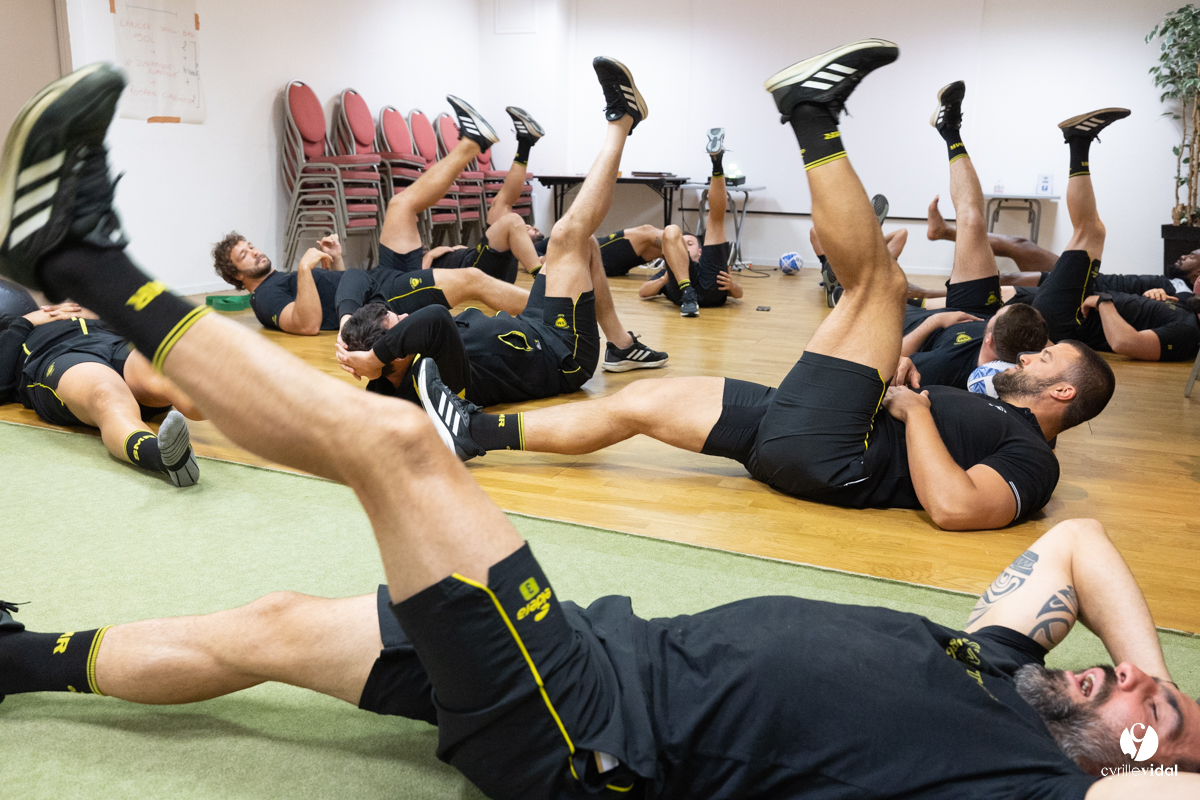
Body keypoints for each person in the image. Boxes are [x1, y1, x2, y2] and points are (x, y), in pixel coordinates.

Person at [3, 58, 1196, 800]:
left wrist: (1167, 757)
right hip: (599, 646)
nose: (1137, 680)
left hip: (585, 729)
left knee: (398, 447)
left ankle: (81, 261)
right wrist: (1162, 686)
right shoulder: (1005, 670)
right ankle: (18, 663)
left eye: (1158, 716)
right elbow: (1083, 547)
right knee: (270, 626)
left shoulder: (1029, 778)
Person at [440, 71, 1116, 532]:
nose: (1036, 353)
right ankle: (474, 432)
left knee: (876, 282)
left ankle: (812, 113)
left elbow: (954, 507)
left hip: (836, 455)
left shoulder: (1036, 461)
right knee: (639, 405)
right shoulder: (994, 405)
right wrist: (907, 375)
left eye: (1049, 357)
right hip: (800, 432)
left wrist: (914, 416)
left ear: (1061, 396)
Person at [334, 93, 667, 407]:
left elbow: (353, 276)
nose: (405, 315)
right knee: (567, 235)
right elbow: (434, 318)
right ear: (390, 355)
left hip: (534, 323)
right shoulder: (429, 383)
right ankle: (621, 122)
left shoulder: (395, 370)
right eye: (398, 323)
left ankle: (622, 346)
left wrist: (347, 324)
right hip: (562, 354)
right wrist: (376, 357)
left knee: (583, 244)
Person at [209, 98, 537, 335]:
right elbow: (306, 324)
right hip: (384, 294)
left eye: (250, 245)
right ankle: (553, 308)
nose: (254, 251)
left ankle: (471, 143)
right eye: (244, 254)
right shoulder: (264, 297)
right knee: (473, 280)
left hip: (377, 276)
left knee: (400, 205)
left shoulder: (276, 279)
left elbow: (334, 291)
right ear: (236, 276)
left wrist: (335, 261)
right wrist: (305, 271)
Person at [1024, 110, 1200, 363]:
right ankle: (1078, 140)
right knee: (1003, 292)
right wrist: (1155, 293)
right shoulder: (1185, 304)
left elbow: (1125, 342)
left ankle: (1078, 141)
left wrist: (1104, 302)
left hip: (1068, 317)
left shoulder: (1187, 332)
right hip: (1073, 306)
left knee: (1091, 232)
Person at [0, 303, 200, 486]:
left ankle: (227, 409)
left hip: (114, 344)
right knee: (105, 394)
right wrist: (24, 322)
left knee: (167, 372)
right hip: (58, 355)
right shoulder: (14, 325)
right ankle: (163, 458)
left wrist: (104, 313)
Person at [927, 197, 1200, 299]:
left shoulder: (1182, 296)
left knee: (1007, 281)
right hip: (1090, 279)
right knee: (1021, 245)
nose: (1183, 256)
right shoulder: (1175, 282)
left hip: (1085, 288)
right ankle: (945, 231)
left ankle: (928, 294)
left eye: (1191, 257)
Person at [637, 129, 742, 316]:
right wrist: (664, 280)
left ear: (700, 251)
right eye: (681, 244)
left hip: (711, 285)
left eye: (690, 243)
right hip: (681, 286)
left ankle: (717, 163)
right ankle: (688, 292)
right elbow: (643, 293)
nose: (684, 246)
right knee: (670, 231)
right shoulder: (669, 272)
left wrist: (732, 286)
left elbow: (739, 294)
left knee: (716, 220)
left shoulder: (705, 259)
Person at [535, 225, 666, 277]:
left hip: (604, 256)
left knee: (655, 247)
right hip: (599, 253)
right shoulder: (536, 248)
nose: (534, 227)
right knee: (646, 231)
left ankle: (685, 257)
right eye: (528, 228)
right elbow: (543, 264)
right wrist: (560, 243)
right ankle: (684, 245)